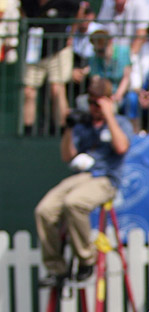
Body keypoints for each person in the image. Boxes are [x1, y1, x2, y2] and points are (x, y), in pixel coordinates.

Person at [35, 78, 132, 288]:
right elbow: (67, 155)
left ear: (108, 101)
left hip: (106, 178)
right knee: (44, 209)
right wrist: (69, 128)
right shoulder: (84, 124)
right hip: (82, 176)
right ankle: (56, 269)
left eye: (98, 103)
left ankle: (87, 260)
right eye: (91, 102)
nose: (93, 108)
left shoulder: (120, 122)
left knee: (74, 203)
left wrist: (108, 114)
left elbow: (122, 147)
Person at [21, 0, 81, 135]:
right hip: (35, 52)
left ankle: (62, 131)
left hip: (58, 50)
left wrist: (71, 34)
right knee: (28, 91)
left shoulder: (66, 3)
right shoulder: (28, 3)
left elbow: (80, 9)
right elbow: (22, 12)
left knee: (57, 89)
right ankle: (28, 131)